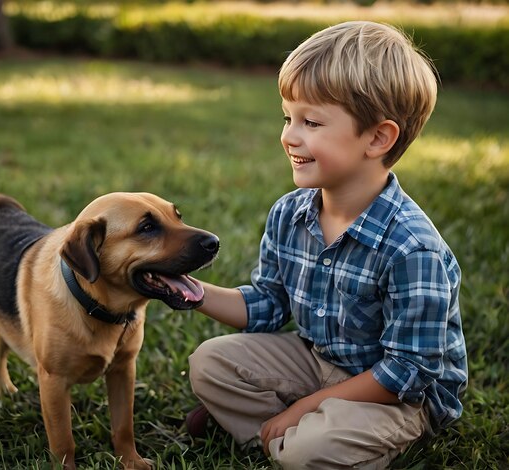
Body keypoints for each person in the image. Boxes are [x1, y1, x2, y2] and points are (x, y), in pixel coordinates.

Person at [187, 21, 468, 469]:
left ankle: (295, 437)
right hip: (320, 362)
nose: (289, 136)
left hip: (397, 398)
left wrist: (304, 406)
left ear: (378, 138)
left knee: (312, 450)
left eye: (311, 122)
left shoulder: (413, 249)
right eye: (288, 117)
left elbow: (407, 373)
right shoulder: (290, 213)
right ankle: (293, 438)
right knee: (209, 362)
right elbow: (268, 305)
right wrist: (190, 292)